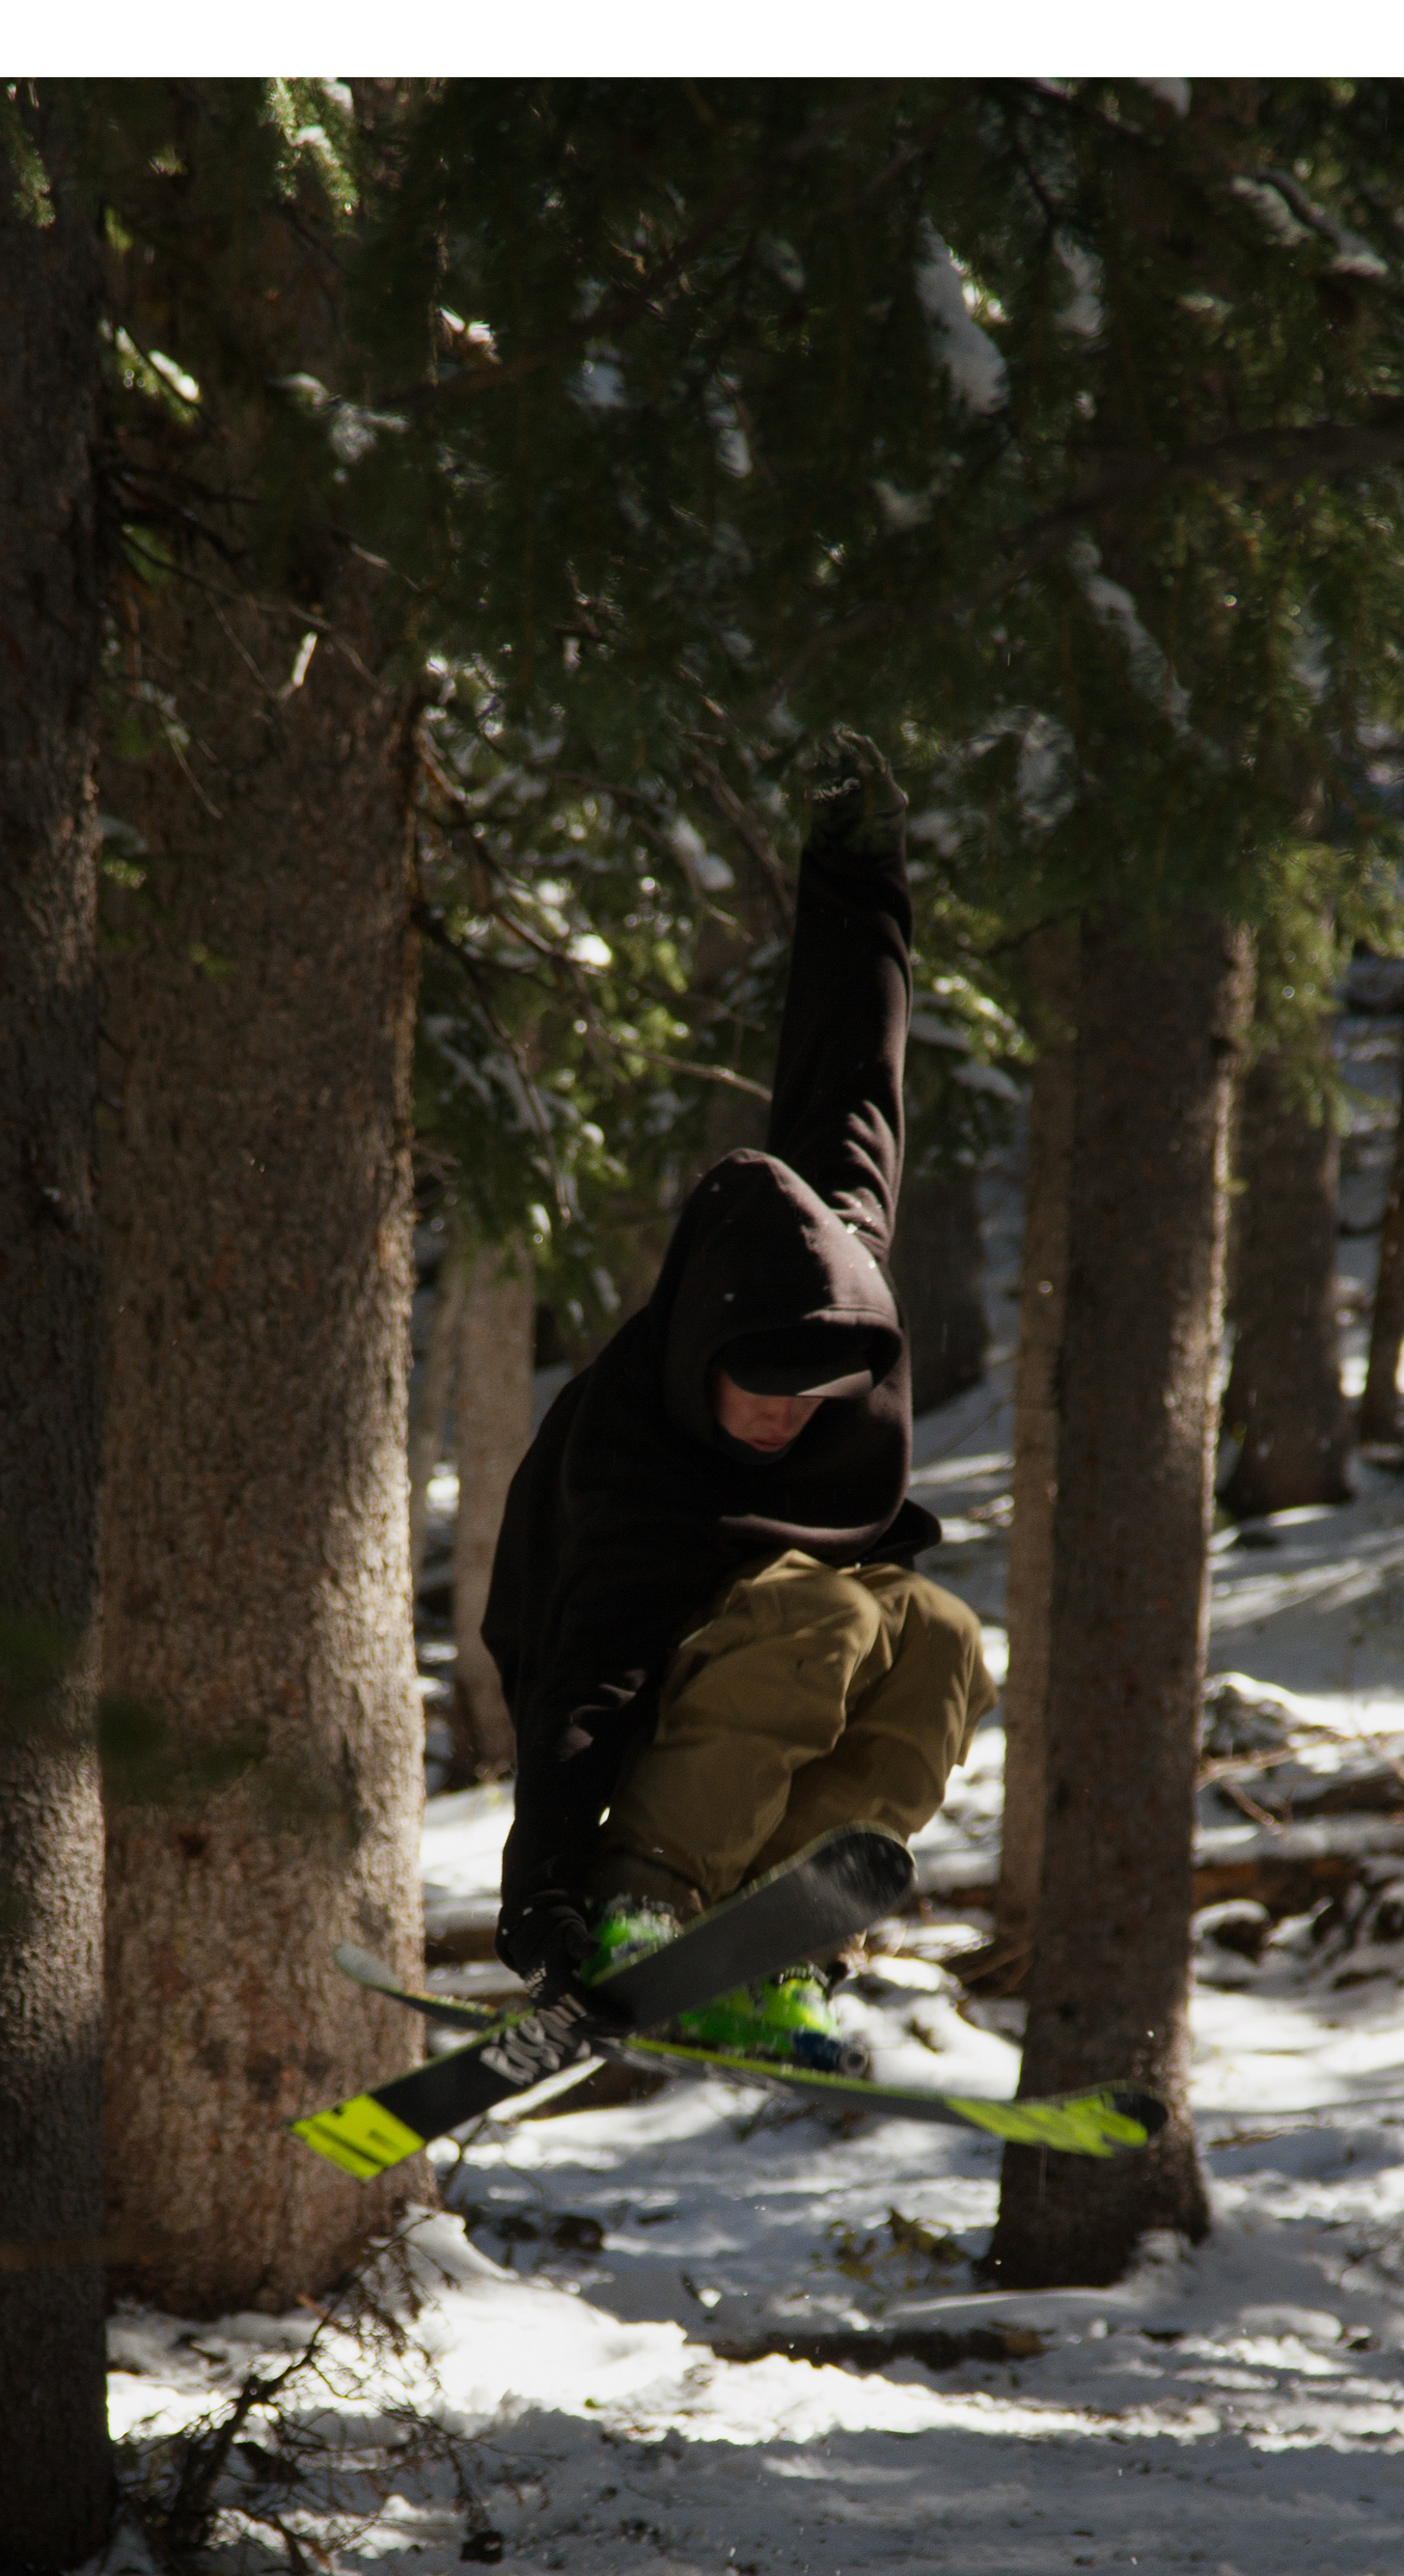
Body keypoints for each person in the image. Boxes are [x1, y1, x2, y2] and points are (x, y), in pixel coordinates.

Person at [481, 732, 996, 2069]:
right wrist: (542, 1893)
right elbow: (581, 1685)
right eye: (758, 1395)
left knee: (937, 1635)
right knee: (817, 1606)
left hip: (758, 1643)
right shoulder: (634, 1451)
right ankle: (643, 1913)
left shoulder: (832, 1280)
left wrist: (860, 859)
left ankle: (773, 1946)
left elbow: (851, 1065)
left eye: (815, 1399)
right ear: (702, 1352)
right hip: (616, 1662)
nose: (785, 1422)